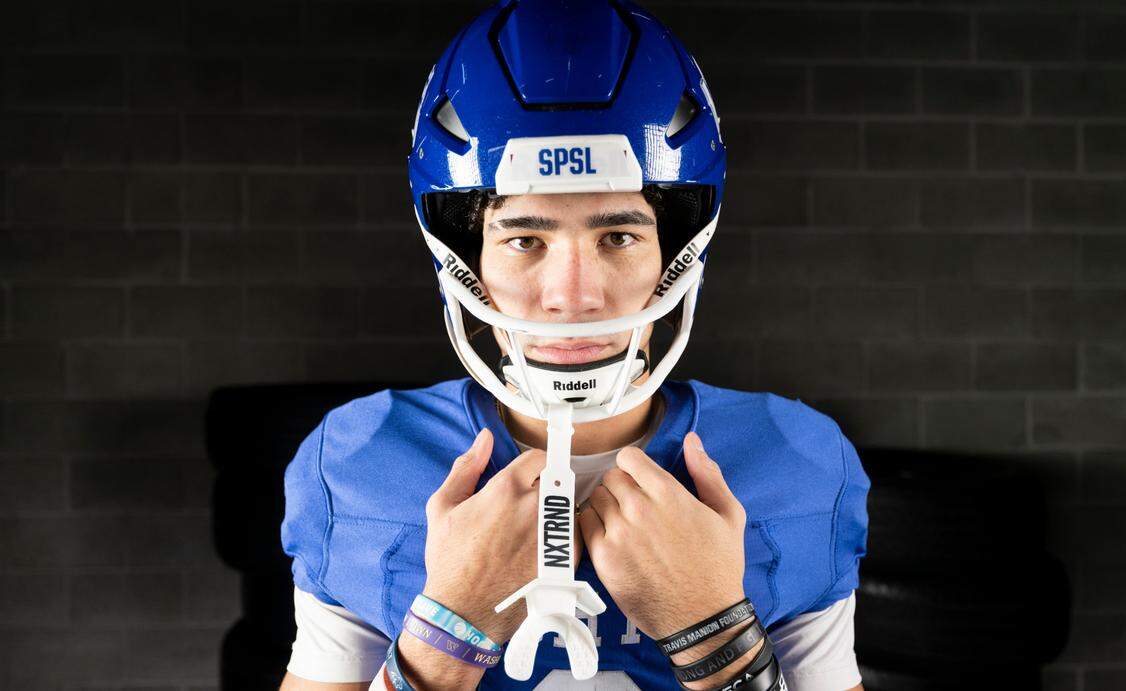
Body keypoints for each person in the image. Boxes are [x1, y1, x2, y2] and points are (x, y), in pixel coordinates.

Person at [278, 1, 869, 690]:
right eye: (525, 238)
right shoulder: (360, 462)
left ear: (673, 254)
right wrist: (448, 628)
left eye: (617, 236)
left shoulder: (796, 461)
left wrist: (714, 629)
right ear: (467, 257)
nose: (572, 295)